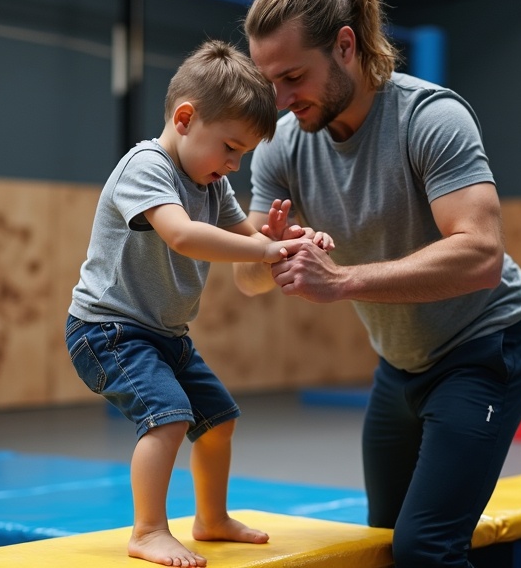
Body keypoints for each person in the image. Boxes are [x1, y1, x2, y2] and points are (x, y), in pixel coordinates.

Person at [234, 0, 521, 566]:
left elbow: (481, 256)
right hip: (400, 364)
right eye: (268, 81)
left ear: (346, 46)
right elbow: (245, 279)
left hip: (486, 348)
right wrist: (264, 252)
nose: (278, 99)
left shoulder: (431, 117)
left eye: (293, 77)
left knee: (425, 547)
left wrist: (344, 280)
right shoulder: (284, 145)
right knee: (381, 544)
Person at [65, 39, 332, 567]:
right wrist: (263, 245)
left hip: (165, 334)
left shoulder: (211, 184)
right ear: (185, 118)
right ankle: (147, 530)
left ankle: (210, 519)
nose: (233, 164)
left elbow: (247, 243)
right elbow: (184, 237)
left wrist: (289, 239)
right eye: (230, 147)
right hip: (107, 330)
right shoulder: (146, 167)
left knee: (217, 419)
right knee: (166, 418)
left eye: (243, 155)